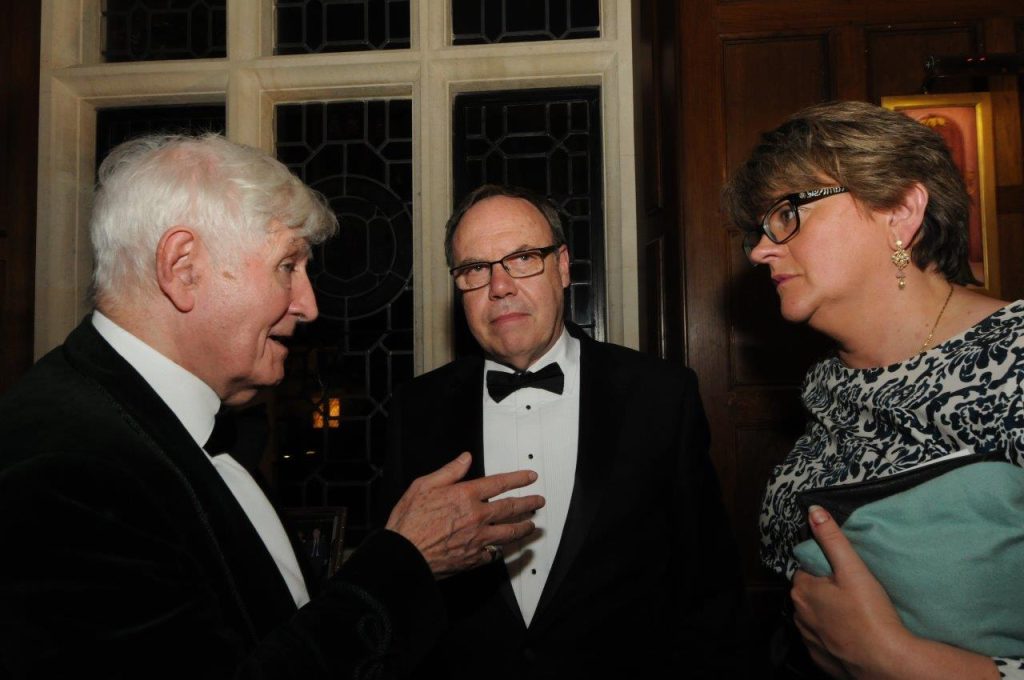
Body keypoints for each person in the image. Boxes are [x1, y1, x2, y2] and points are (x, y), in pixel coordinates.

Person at [0, 134, 545, 679]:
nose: (308, 305)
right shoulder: (63, 468)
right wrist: (403, 562)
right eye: (288, 266)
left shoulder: (190, 427)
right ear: (183, 267)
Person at [384, 184, 748, 679]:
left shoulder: (659, 395)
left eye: (523, 258)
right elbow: (399, 589)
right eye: (475, 269)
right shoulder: (415, 409)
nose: (500, 286)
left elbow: (709, 586)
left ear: (561, 267)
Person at [722, 100, 1024, 679]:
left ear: (901, 210)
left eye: (787, 213)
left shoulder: (1014, 359)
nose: (761, 250)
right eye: (759, 230)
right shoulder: (828, 385)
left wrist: (900, 662)